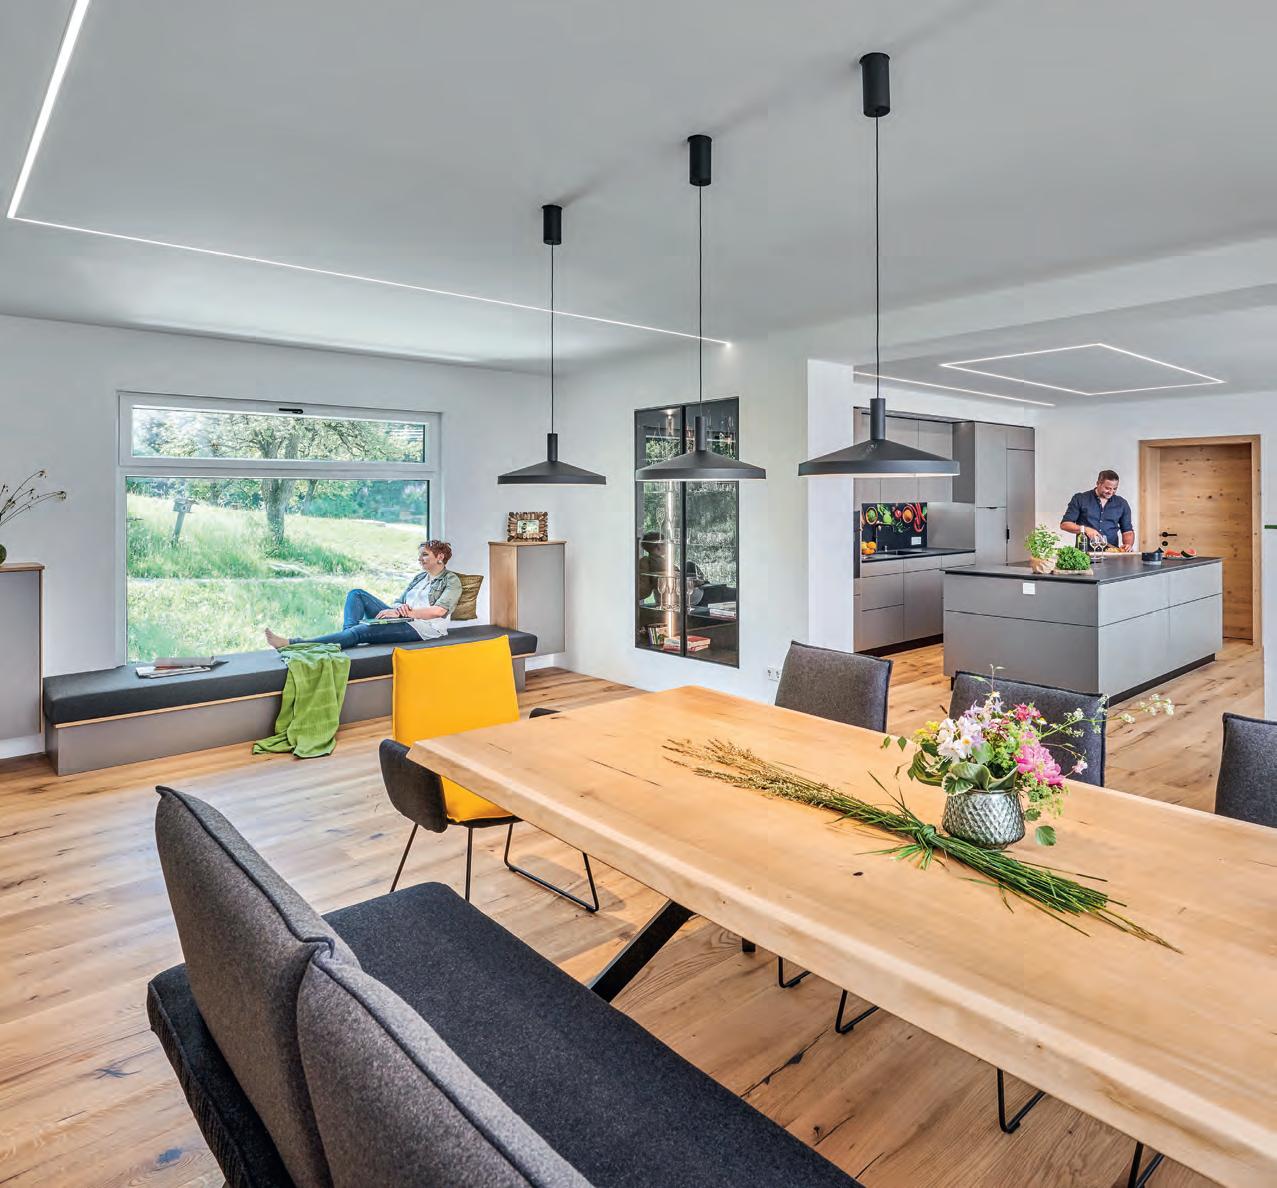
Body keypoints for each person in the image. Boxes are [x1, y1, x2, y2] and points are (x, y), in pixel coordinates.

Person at [265, 540, 462, 650]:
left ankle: (293, 643)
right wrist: (396, 610)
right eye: (419, 555)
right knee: (356, 594)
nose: (420, 559)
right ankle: (348, 637)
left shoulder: (451, 580)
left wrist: (406, 613)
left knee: (359, 632)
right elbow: (399, 601)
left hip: (423, 628)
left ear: (440, 557)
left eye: (425, 554)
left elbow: (439, 611)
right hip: (402, 618)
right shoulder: (420, 578)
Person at [1060, 470, 1135, 552]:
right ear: (1098, 483)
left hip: (1111, 554)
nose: (1111, 492)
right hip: (1085, 554)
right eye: (1107, 488)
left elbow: (1127, 531)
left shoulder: (1122, 503)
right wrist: (1085, 529)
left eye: (1114, 489)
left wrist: (1128, 545)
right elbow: (1065, 524)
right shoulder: (1080, 499)